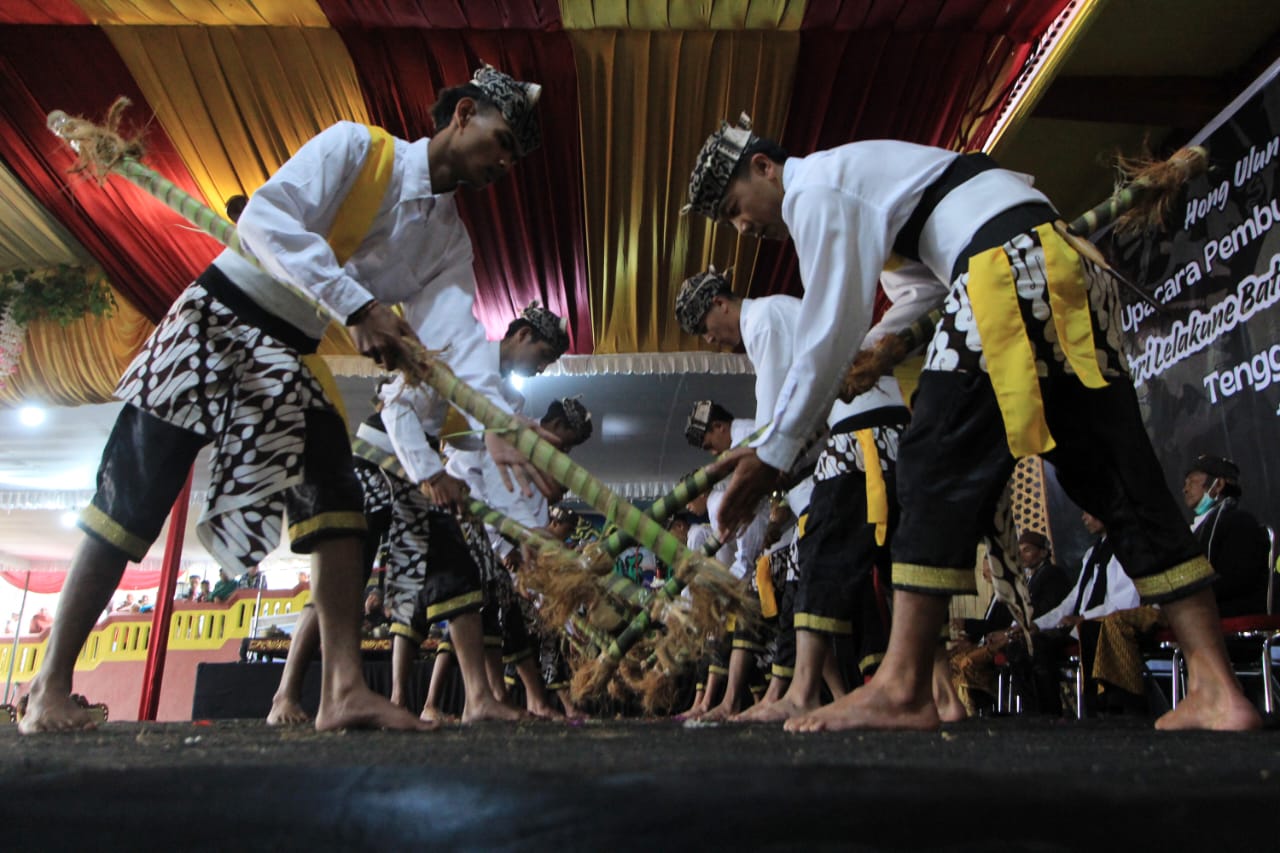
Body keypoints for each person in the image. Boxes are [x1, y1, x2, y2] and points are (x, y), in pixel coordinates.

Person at [684, 114, 1260, 731]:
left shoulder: (814, 187)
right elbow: (917, 298)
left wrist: (774, 451)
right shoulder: (880, 189)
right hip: (1062, 267)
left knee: (929, 465)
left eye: (735, 208)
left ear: (764, 167)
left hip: (1002, 269)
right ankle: (1217, 686)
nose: (742, 227)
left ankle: (904, 688)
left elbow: (831, 323)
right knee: (1120, 477)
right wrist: (876, 352)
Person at [18, 64, 543, 735]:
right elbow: (267, 221)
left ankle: (343, 691)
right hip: (220, 317)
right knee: (133, 489)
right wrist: (358, 307)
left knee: (338, 503)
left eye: (515, 157)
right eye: (502, 141)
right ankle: (50, 686)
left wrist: (494, 419)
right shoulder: (357, 147)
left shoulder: (447, 242)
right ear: (464, 114)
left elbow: (459, 338)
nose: (505, 162)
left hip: (290, 356)